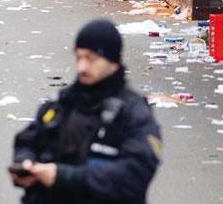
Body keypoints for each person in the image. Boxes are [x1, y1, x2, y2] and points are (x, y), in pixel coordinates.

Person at [11, 19, 161, 204]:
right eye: (78, 58)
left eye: (90, 59)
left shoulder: (133, 113)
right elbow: (26, 140)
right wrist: (25, 163)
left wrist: (63, 176)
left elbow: (134, 177)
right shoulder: (61, 103)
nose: (82, 67)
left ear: (112, 60)